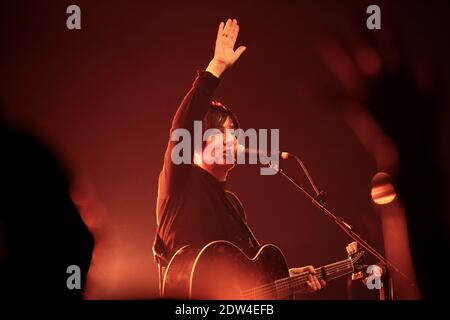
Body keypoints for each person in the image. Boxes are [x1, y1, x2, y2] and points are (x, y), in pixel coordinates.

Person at [152, 19, 325, 297]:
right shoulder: (180, 182)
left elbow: (247, 281)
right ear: (196, 141)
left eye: (235, 134)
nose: (234, 140)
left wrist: (286, 278)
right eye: (223, 133)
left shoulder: (233, 205)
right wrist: (215, 68)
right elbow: (180, 127)